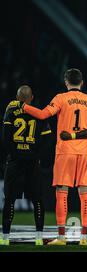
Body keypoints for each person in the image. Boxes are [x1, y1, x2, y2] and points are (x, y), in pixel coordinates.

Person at [21, 68, 87, 245]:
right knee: (85, 193)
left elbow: (42, 115)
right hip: (84, 152)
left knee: (61, 193)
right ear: (82, 82)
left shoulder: (60, 98)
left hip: (65, 151)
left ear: (66, 82)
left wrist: (22, 106)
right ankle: (84, 238)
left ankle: (62, 238)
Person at [0, 86, 51, 246]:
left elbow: (5, 138)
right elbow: (48, 140)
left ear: (17, 97)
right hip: (32, 163)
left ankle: (5, 238)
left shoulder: (10, 112)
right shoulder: (39, 114)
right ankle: (38, 237)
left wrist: (14, 155)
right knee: (37, 200)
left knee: (9, 200)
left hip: (14, 162)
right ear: (31, 98)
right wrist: (35, 155)